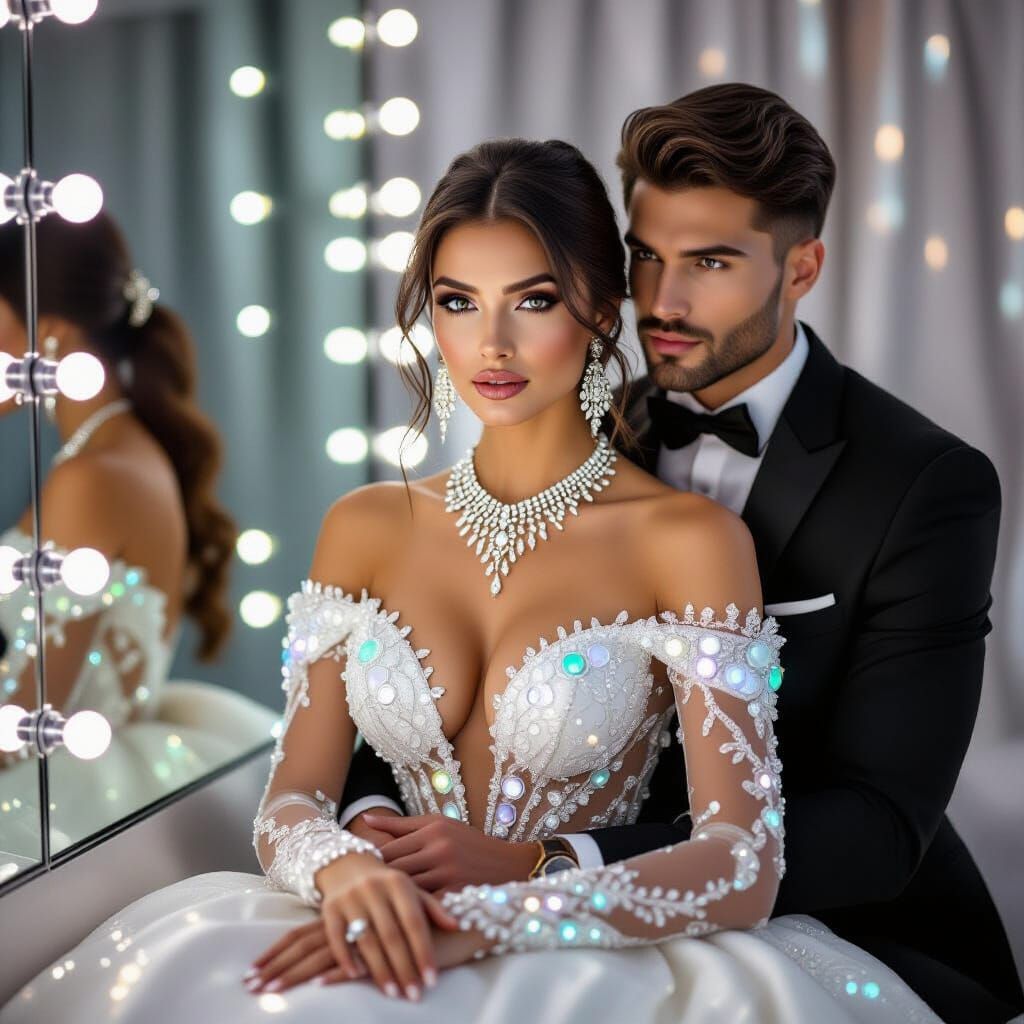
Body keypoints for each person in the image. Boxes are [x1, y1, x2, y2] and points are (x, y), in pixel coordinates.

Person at [1, 138, 942, 1024]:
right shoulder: (363, 525)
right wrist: (342, 872)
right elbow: (292, 800)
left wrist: (491, 918)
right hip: (375, 917)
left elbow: (743, 860)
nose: (490, 342)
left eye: (531, 301)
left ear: (600, 310)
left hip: (587, 951)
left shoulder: (690, 540)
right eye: (457, 302)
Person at [338, 86, 1024, 1023]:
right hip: (513, 904)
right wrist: (369, 839)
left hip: (833, 928)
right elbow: (414, 672)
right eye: (646, 258)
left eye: (709, 262)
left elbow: (876, 821)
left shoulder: (924, 483)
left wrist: (545, 868)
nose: (661, 301)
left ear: (802, 267)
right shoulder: (560, 415)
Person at [0, 214, 270, 851]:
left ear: (53, 330)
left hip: (65, 798)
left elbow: (39, 714)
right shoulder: (109, 454)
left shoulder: (95, 477)